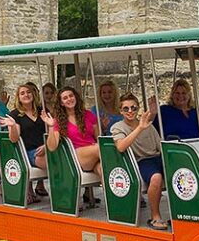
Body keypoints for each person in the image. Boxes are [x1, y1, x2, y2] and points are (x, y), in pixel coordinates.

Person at [111, 93, 169, 230]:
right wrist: (139, 128)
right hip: (141, 161)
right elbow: (120, 147)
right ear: (121, 111)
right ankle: (155, 217)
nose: (130, 111)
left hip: (156, 157)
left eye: (133, 108)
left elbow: (159, 146)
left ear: (137, 109)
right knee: (156, 177)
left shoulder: (148, 125)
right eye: (126, 109)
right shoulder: (117, 127)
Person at [42, 86, 101, 185]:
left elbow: (98, 137)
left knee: (103, 170)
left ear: (76, 97)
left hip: (93, 154)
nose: (69, 99)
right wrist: (51, 126)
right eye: (65, 98)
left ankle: (113, 199)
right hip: (75, 156)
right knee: (100, 148)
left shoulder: (89, 114)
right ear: (61, 103)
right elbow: (52, 147)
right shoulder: (59, 121)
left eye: (71, 96)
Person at [6, 82, 48, 202]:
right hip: (29, 152)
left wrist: (46, 145)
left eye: (29, 92)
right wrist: (13, 126)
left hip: (46, 148)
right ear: (18, 97)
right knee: (53, 163)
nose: (26, 95)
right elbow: (14, 138)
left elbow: (52, 130)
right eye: (22, 93)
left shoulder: (43, 111)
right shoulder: (15, 115)